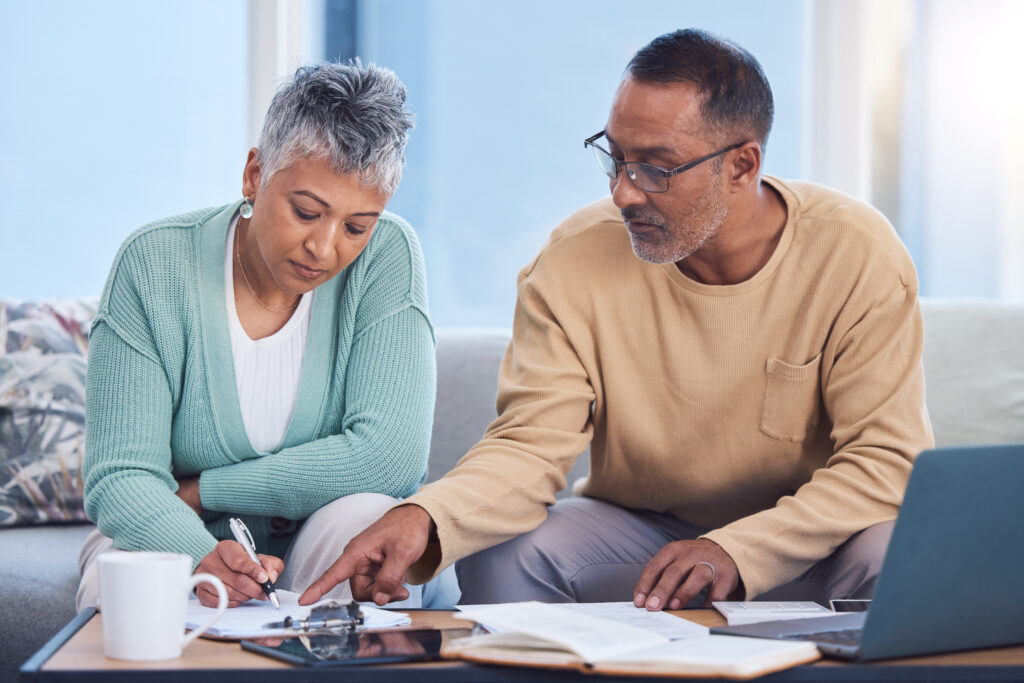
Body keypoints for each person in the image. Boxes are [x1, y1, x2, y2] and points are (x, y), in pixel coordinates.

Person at [299, 29, 933, 611]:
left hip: (814, 536)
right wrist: (426, 518)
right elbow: (531, 444)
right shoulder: (572, 260)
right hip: (641, 529)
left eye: (655, 167)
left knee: (897, 553)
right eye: (615, 156)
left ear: (742, 165)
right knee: (502, 552)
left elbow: (886, 461)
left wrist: (741, 548)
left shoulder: (856, 253)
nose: (624, 192)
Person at [77, 61, 458, 611]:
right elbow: (121, 476)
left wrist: (206, 490)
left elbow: (389, 459)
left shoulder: (387, 255)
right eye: (306, 212)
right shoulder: (154, 264)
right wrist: (200, 552)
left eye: (356, 225)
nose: (325, 249)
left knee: (377, 525)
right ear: (254, 174)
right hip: (174, 526)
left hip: (314, 533)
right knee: (131, 582)